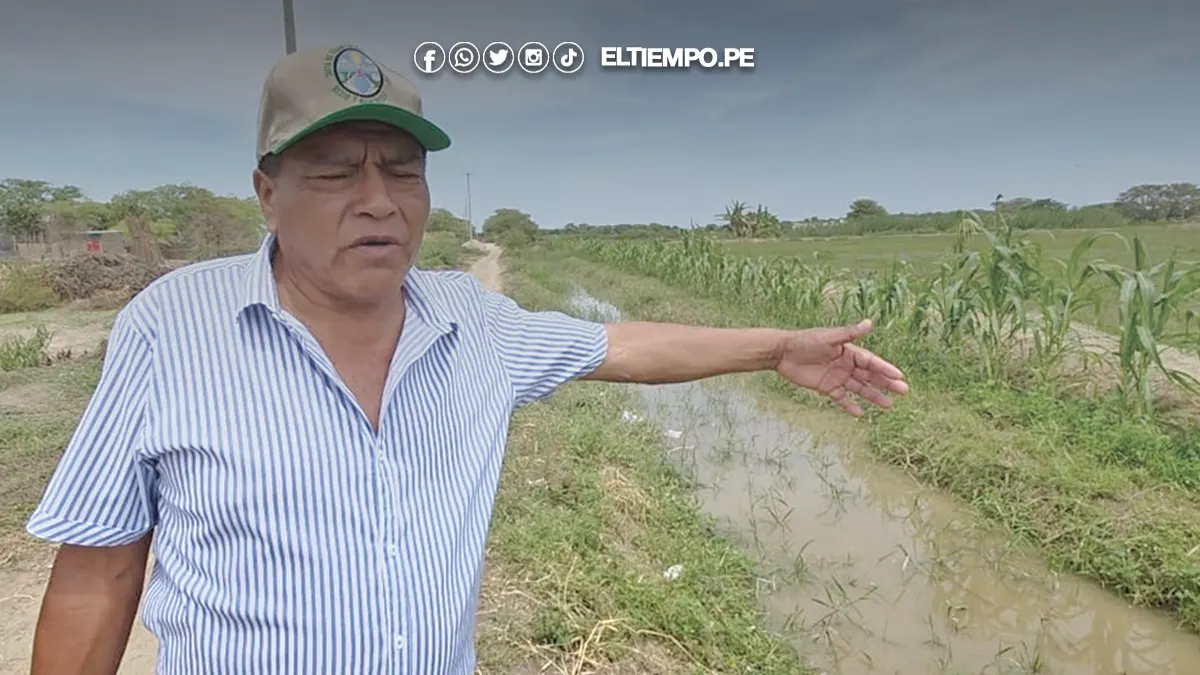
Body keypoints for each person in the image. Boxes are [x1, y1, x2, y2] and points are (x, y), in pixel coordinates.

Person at [25, 44, 908, 674]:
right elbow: (98, 572)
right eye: (335, 173)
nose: (378, 200)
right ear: (267, 193)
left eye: (402, 171)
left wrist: (777, 348)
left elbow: (623, 345)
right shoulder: (171, 327)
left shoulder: (471, 321)